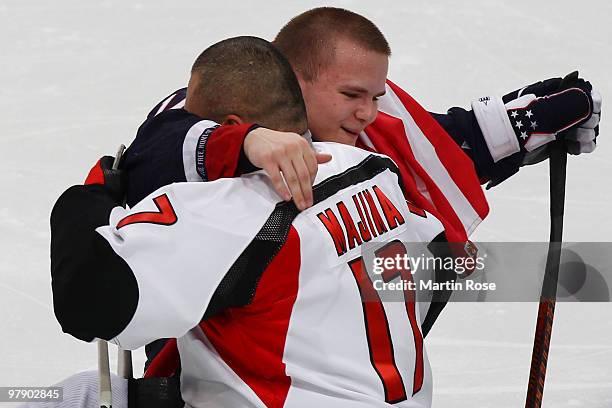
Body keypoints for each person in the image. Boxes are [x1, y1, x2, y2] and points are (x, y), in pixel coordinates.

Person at [48, 36, 453, 408]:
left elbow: (89, 305)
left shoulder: (234, 212)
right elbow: (442, 260)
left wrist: (91, 196)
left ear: (227, 128)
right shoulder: (376, 170)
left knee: (68, 398)